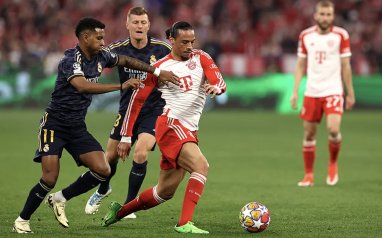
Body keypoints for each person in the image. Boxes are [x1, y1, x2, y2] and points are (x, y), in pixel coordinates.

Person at [12, 17, 178, 234]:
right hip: (54, 124)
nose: (103, 41)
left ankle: (60, 198)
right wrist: (121, 85)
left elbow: (127, 61)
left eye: (103, 37)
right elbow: (81, 86)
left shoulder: (103, 56)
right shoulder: (71, 59)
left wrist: (155, 71)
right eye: (99, 37)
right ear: (85, 37)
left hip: (77, 127)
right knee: (49, 177)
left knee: (103, 169)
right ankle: (22, 220)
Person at [101, 21, 226, 234]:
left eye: (192, 42)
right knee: (201, 166)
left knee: (164, 192)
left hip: (189, 129)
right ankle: (184, 223)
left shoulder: (201, 57)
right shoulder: (159, 68)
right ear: (172, 40)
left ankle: (119, 211)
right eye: (184, 42)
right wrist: (126, 135)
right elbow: (137, 100)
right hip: (170, 125)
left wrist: (216, 87)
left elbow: (219, 82)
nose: (189, 46)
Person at [84, 7, 171, 219]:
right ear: (128, 25)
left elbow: (184, 65)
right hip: (126, 110)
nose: (140, 26)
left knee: (140, 153)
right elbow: (95, 61)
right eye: (136, 22)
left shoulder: (162, 49)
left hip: (153, 111)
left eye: (143, 22)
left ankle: (128, 205)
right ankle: (103, 189)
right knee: (109, 158)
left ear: (149, 25)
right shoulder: (117, 49)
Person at [290, 0, 355, 187]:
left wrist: (350, 93)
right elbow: (300, 65)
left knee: (334, 129)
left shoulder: (341, 35)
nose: (325, 18)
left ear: (332, 16)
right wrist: (295, 92)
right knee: (309, 134)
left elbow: (346, 65)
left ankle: (333, 163)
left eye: (328, 14)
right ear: (316, 15)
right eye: (322, 14)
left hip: (333, 90)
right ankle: (308, 175)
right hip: (312, 91)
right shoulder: (305, 36)